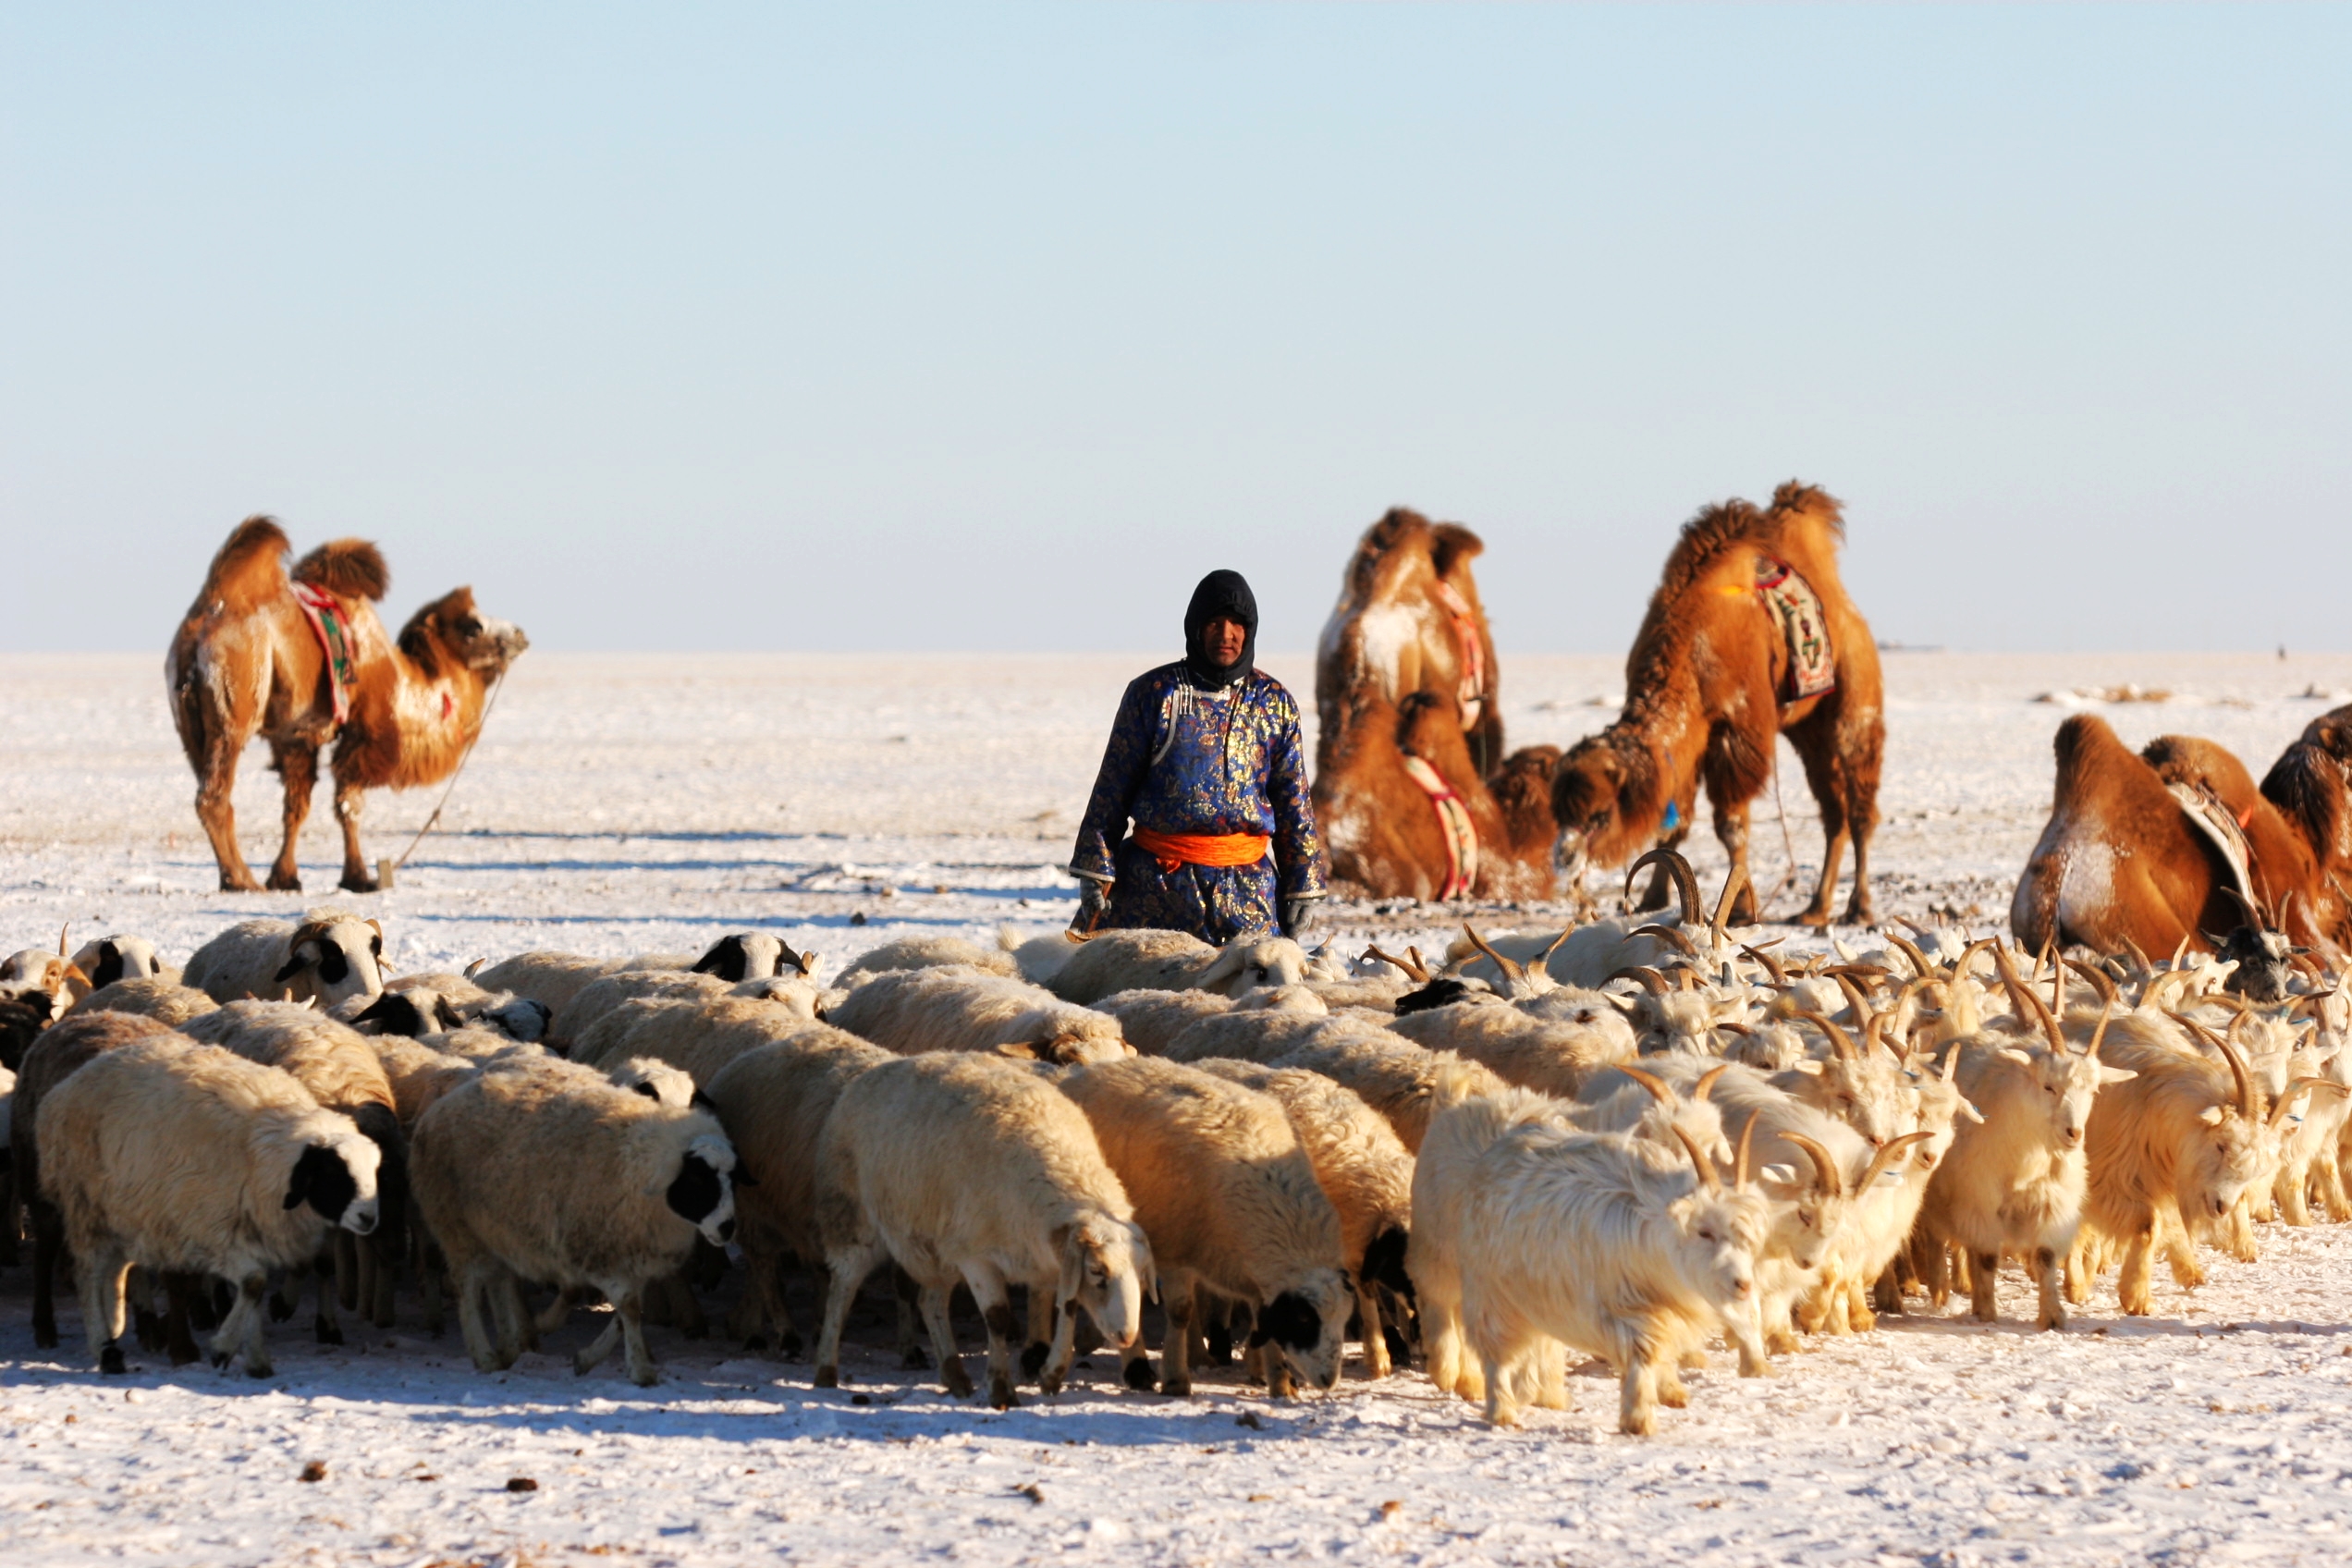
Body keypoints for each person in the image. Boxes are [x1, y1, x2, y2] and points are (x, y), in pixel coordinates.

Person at [1065, 570, 1326, 945]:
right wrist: (1096, 870)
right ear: (1195, 627)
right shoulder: (1153, 693)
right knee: (1118, 989)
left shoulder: (1274, 702)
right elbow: (1113, 786)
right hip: (1154, 884)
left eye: (1237, 623)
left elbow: (1293, 800)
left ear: (1250, 630)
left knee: (1263, 991)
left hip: (1247, 889)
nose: (1226, 634)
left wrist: (1303, 883)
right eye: (1214, 622)